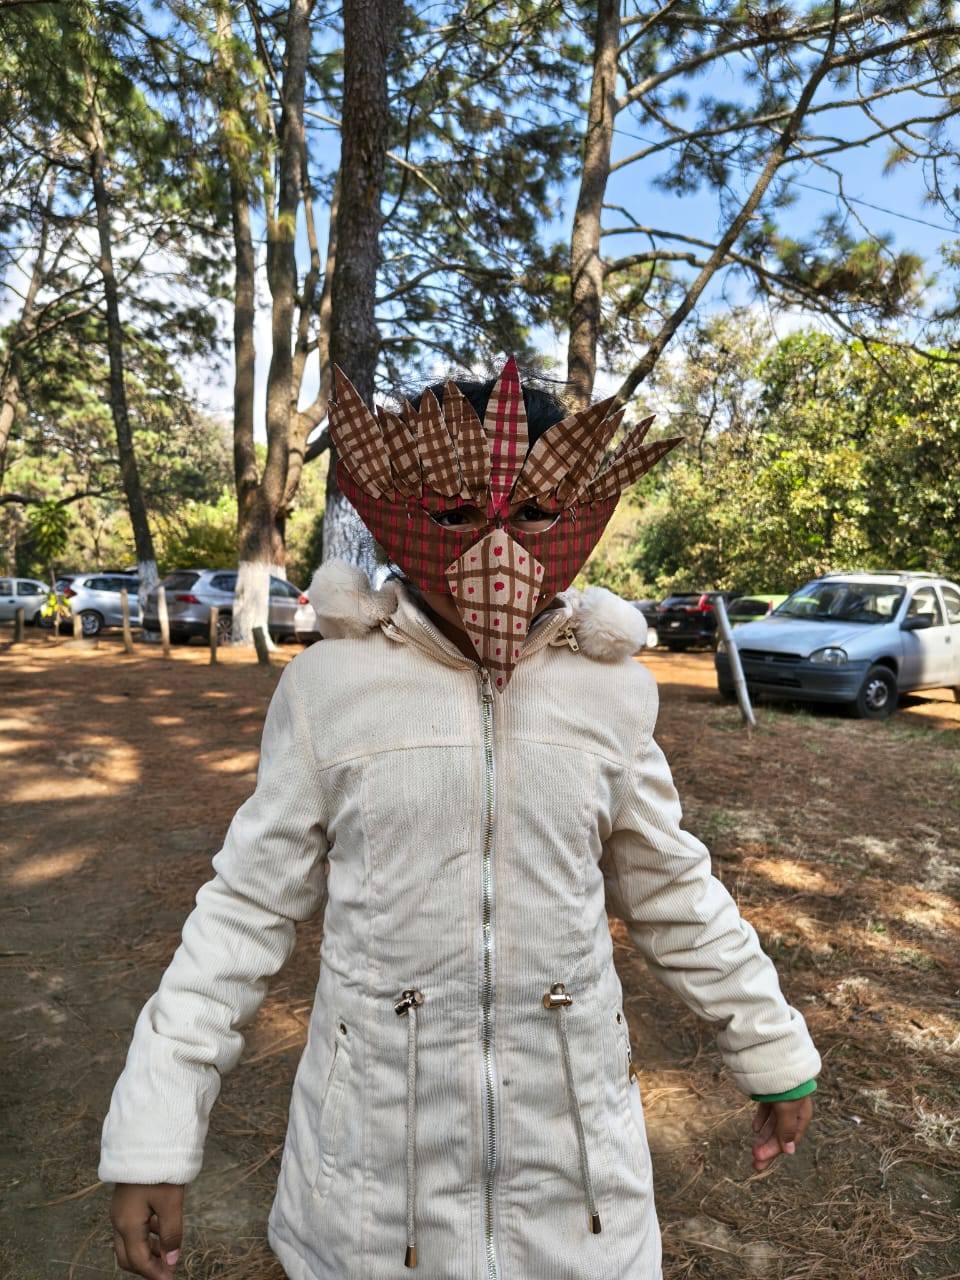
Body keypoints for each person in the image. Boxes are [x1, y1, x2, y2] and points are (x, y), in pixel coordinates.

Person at [100, 359, 820, 1280]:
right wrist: (156, 1132)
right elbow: (246, 907)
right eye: (451, 514)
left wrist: (769, 1044)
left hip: (576, 1188)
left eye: (531, 516)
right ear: (397, 503)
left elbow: (672, 884)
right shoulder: (330, 690)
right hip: (368, 1195)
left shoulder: (610, 696)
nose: (495, 549)